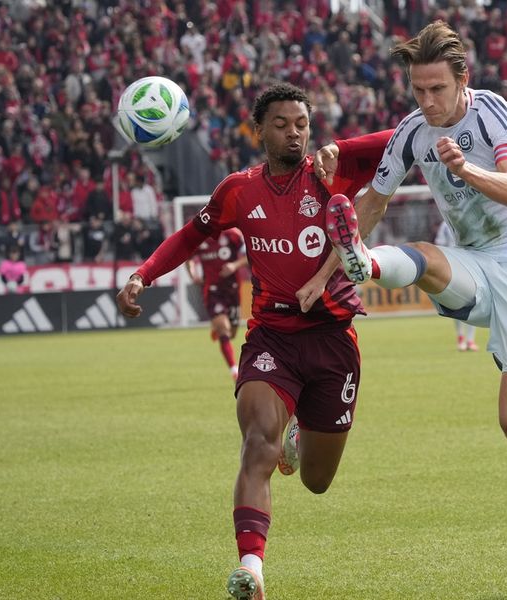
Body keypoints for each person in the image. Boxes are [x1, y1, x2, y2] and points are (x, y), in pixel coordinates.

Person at [115, 83, 393, 599]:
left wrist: (347, 148)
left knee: (316, 480)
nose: (294, 133)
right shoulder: (238, 191)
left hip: (334, 341)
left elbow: (405, 136)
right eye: (283, 124)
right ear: (259, 130)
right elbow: (190, 237)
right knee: (256, 443)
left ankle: (300, 441)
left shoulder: (333, 173)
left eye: (302, 124)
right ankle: (251, 569)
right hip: (272, 337)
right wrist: (143, 275)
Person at [322, 21, 507, 581]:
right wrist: (330, 269)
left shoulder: (496, 115)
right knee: (426, 257)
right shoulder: (412, 130)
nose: (428, 101)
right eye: (418, 90)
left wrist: (464, 167)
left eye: (438, 89)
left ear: (464, 80)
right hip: (473, 262)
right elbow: (372, 201)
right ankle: (366, 264)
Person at [185, 227, 247, 379]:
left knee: (231, 332)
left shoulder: (233, 234)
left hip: (232, 289)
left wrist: (234, 265)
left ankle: (218, 328)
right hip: (212, 291)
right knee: (224, 329)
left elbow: (250, 255)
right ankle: (234, 370)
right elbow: (188, 258)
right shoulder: (200, 235)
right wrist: (193, 275)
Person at [434, 220, 477, 351]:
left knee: (473, 302)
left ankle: (469, 340)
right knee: (457, 303)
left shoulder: (469, 222)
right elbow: (439, 245)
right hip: (452, 266)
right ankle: (461, 337)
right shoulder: (445, 225)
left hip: (468, 264)